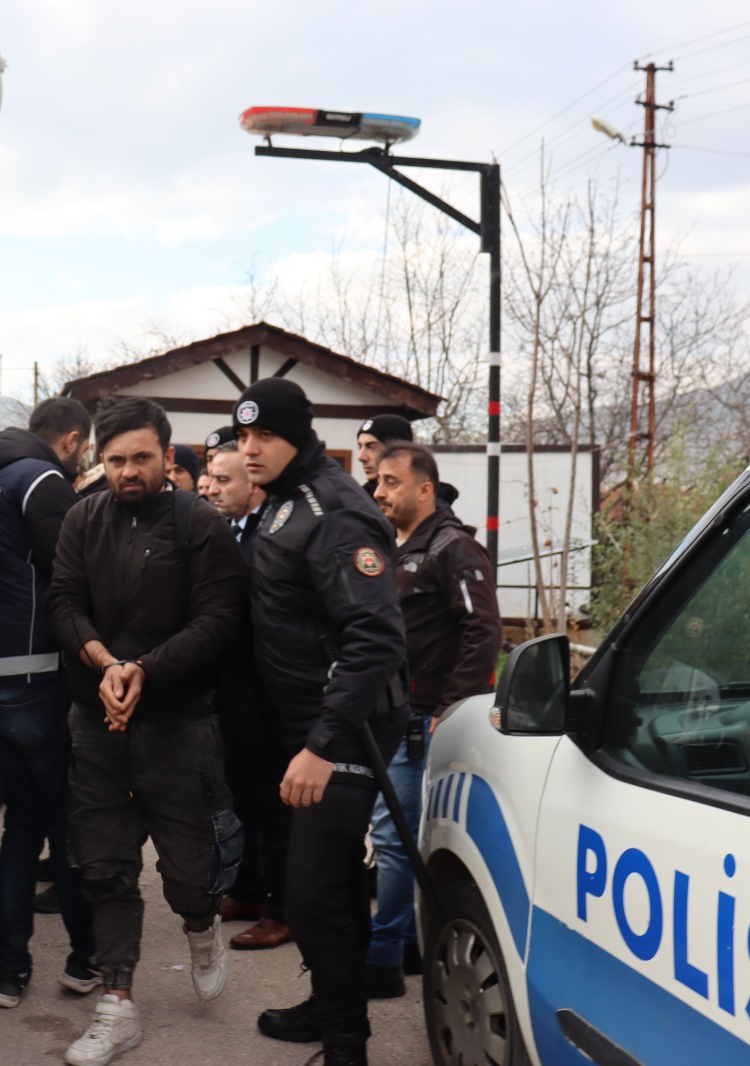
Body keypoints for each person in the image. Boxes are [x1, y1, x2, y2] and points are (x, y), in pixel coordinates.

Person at [49, 397, 248, 1066]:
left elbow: (219, 619)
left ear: (166, 455)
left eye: (140, 458)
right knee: (104, 869)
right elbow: (64, 602)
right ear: (98, 459)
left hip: (180, 728)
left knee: (190, 874)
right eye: (114, 460)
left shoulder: (202, 523)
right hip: (97, 726)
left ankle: (201, 924)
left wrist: (144, 671)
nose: (127, 471)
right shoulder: (81, 519)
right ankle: (118, 1002)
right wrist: (107, 665)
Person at [233, 377, 410, 1066]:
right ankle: (332, 1005)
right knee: (325, 882)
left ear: (299, 436)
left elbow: (376, 639)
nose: (250, 448)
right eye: (243, 435)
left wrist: (320, 746)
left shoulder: (333, 511)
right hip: (295, 726)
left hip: (342, 730)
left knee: (310, 894)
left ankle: (345, 1043)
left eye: (265, 435)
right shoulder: (283, 499)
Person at [0, 397, 100, 1010]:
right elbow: (73, 576)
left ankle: (9, 972)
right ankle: (85, 960)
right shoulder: (41, 481)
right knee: (65, 825)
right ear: (70, 441)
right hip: (37, 678)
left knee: (21, 826)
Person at [364, 441, 502, 997]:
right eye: (378, 481)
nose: (379, 491)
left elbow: (483, 631)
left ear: (425, 489)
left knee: (394, 837)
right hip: (394, 713)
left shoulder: (453, 548)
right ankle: (407, 945)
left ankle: (381, 959)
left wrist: (450, 707)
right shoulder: (397, 545)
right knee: (401, 836)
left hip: (423, 719)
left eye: (391, 482)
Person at [202, 444, 292, 950]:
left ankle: (284, 909)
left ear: (252, 486)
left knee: (275, 808)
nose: (212, 488)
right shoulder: (232, 531)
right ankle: (251, 890)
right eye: (211, 478)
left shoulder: (270, 537)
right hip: (236, 694)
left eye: (224, 480)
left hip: (269, 695)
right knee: (242, 801)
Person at [354, 413, 412, 496]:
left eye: (372, 446)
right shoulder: (356, 499)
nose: (361, 457)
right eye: (360, 447)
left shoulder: (422, 499)